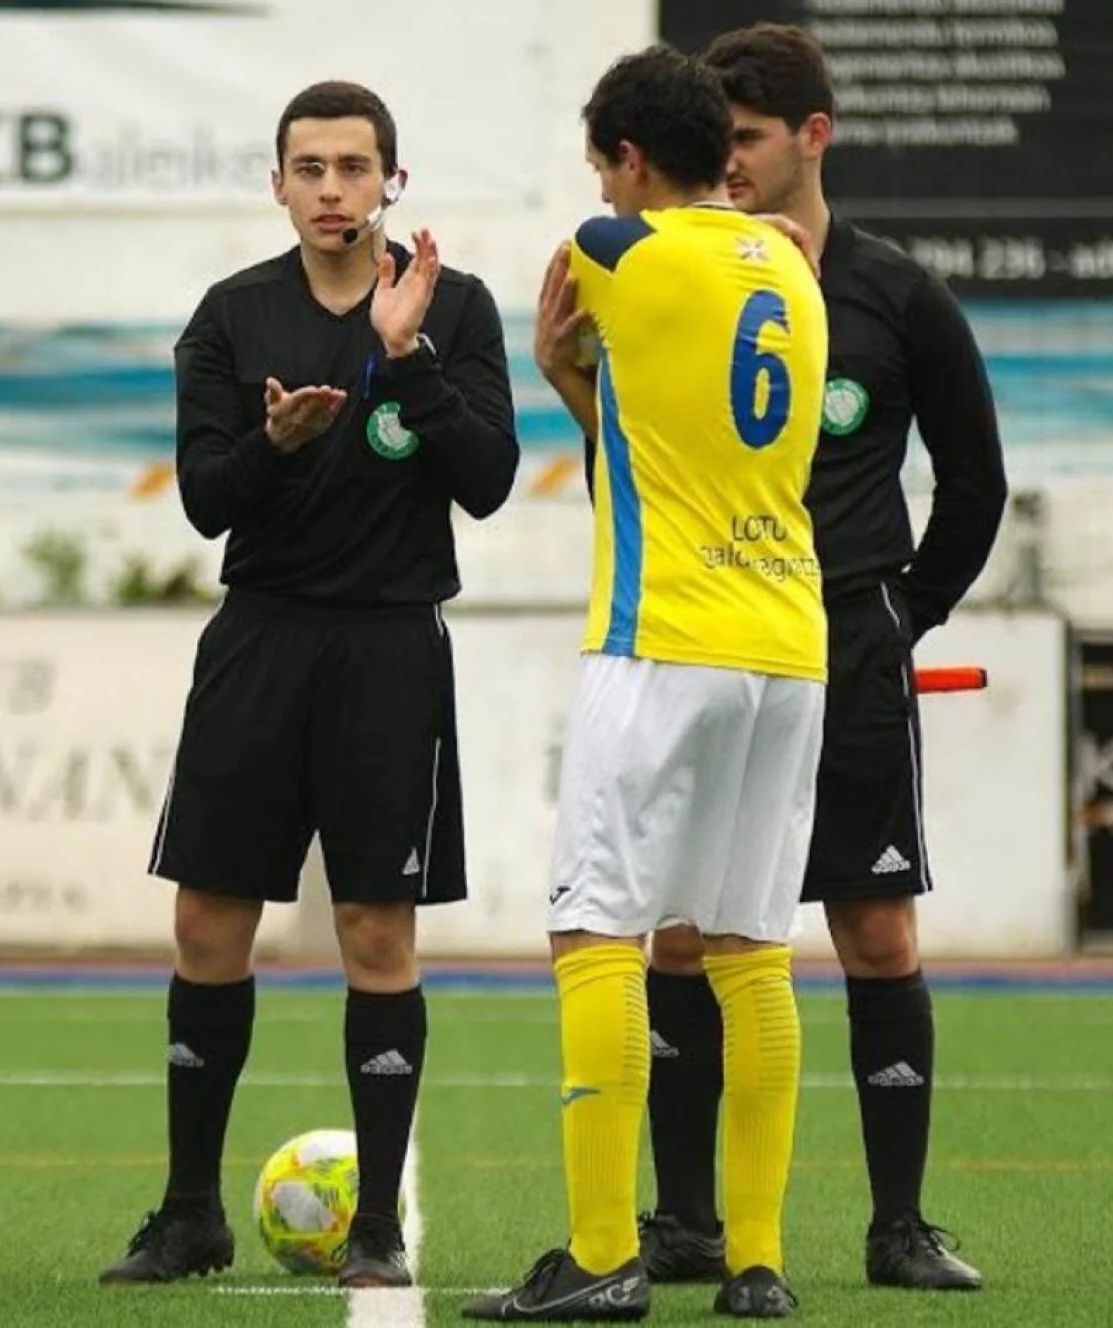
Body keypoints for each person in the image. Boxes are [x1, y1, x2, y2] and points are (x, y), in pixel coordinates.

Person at [95, 79, 519, 1292]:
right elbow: (204, 499)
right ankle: (189, 1213)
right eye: (310, 167)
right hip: (260, 640)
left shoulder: (459, 307)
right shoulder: (231, 318)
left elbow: (489, 479)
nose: (333, 189)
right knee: (205, 925)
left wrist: (409, 359)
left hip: (390, 646)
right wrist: (273, 448)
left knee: (377, 932)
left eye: (354, 166)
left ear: (394, 179)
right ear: (275, 183)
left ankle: (376, 1220)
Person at [635, 22, 1005, 1295]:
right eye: (714, 139)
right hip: (709, 639)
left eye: (744, 138)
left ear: (812, 138)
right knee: (683, 933)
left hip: (846, 643)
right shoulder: (676, 277)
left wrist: (908, 613)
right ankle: (684, 1222)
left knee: (876, 929)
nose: (726, 161)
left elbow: (975, 480)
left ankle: (897, 1225)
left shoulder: (897, 293)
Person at [462, 46, 828, 1321]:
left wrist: (555, 341)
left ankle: (604, 1250)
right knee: (750, 946)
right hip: (789, 641)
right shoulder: (789, 258)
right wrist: (583, 376)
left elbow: (582, 284)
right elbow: (646, 430)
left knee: (594, 934)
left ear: (626, 158)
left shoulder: (614, 245)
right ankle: (759, 1261)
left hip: (665, 636)